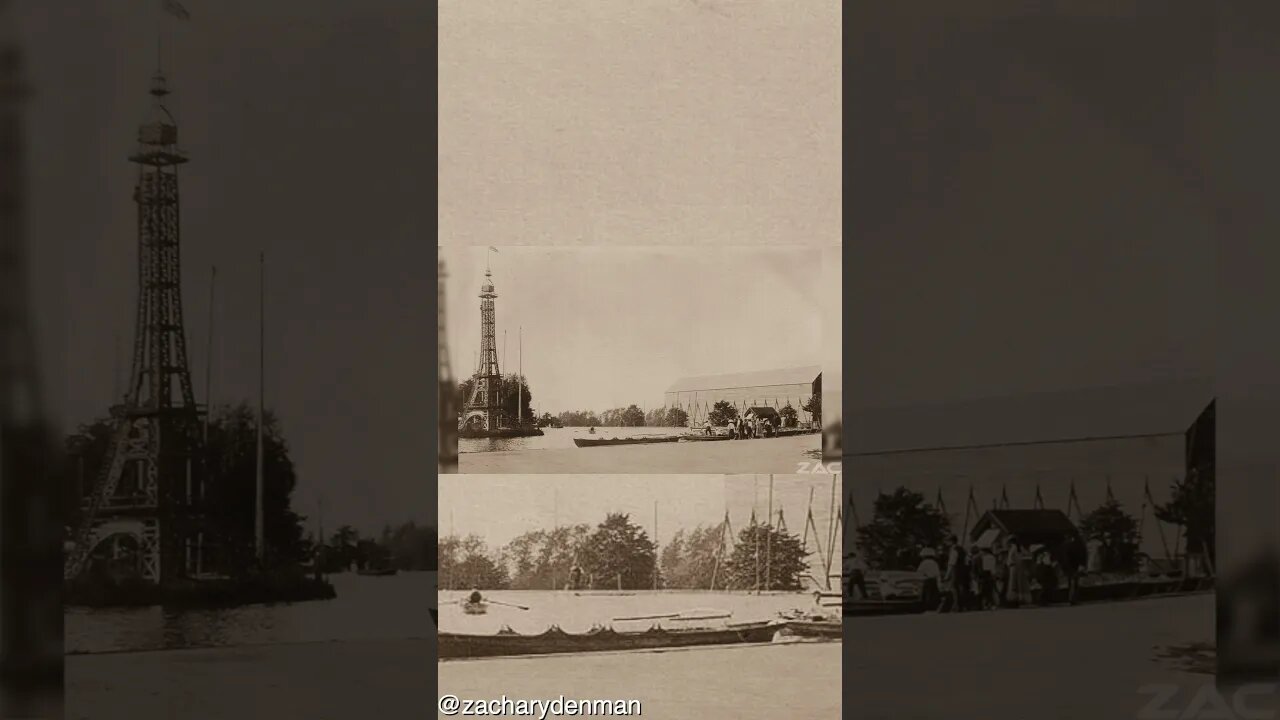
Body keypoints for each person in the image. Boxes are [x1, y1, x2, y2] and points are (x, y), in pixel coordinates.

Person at [1059, 532, 1087, 605]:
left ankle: (1072, 598)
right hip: (1072, 566)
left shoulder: (1063, 545)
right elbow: (1080, 555)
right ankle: (1073, 599)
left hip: (1068, 566)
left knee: (1072, 582)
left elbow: (1063, 557)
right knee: (1074, 582)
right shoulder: (1075, 544)